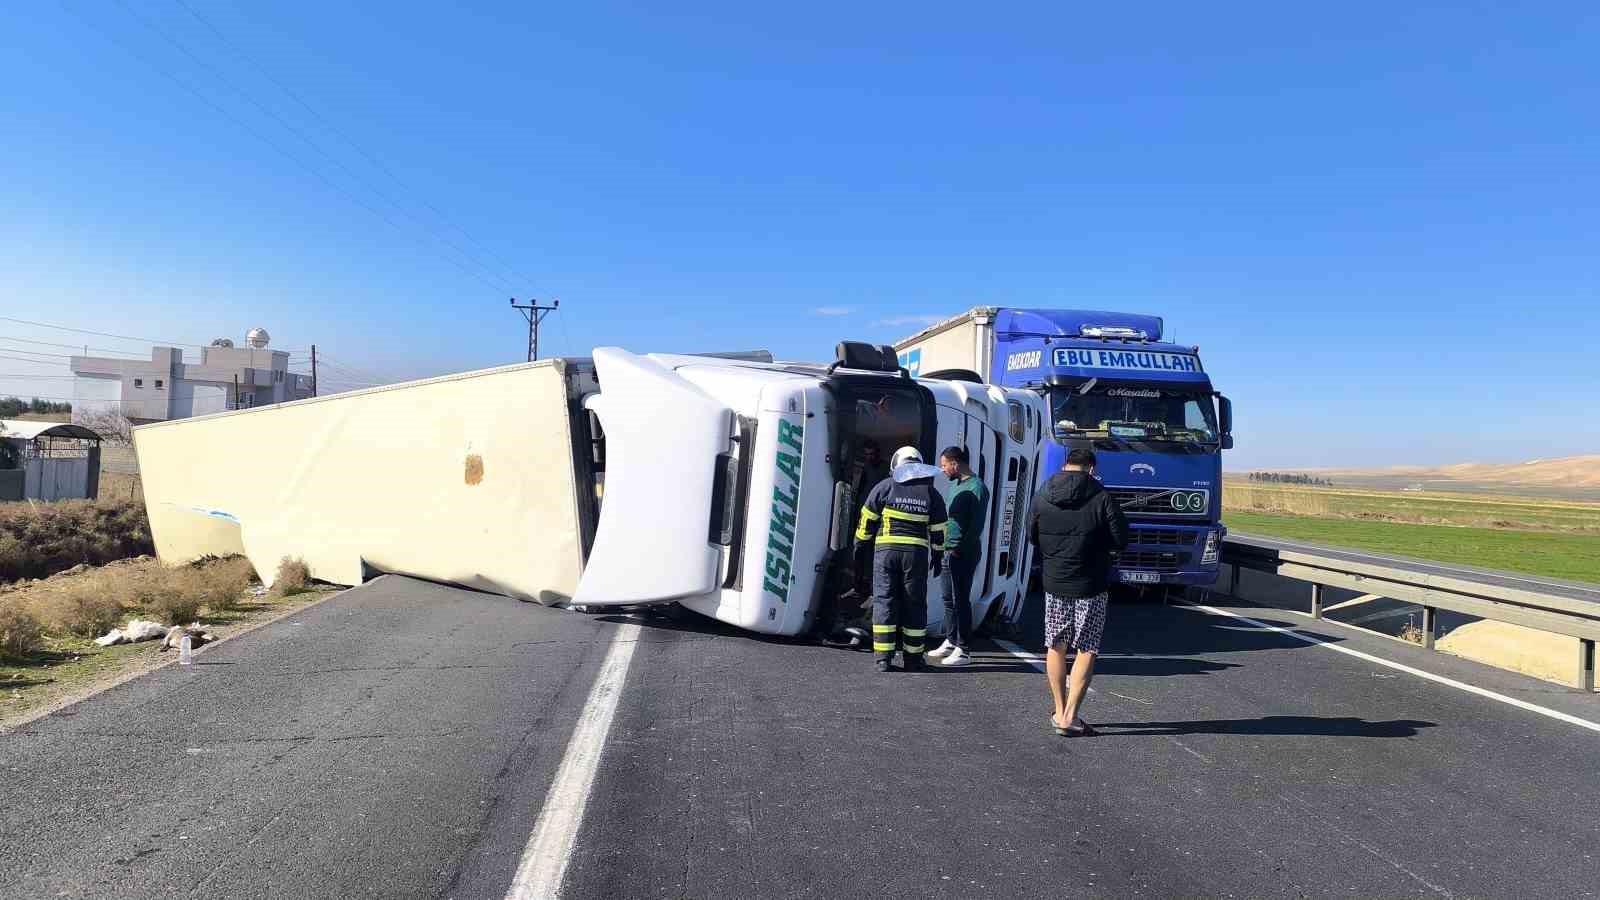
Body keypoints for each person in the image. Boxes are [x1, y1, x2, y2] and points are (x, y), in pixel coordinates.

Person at [1026, 447, 1128, 736]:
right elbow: (1120, 539)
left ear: (1066, 464)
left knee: (1055, 645)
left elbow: (1031, 535)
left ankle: (1059, 711)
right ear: (1092, 468)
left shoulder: (1043, 494)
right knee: (1087, 647)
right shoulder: (1102, 497)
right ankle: (1071, 716)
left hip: (1055, 581)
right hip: (1091, 584)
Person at [855, 446, 948, 673]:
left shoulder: (884, 486)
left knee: (884, 601)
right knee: (914, 604)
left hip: (885, 553)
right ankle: (913, 659)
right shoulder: (931, 493)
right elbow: (939, 530)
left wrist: (860, 547)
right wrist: (937, 555)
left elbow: (866, 520)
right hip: (915, 555)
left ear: (895, 465)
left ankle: (883, 660)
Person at [928, 446, 988, 667]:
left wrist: (959, 549)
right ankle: (951, 640)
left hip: (962, 552)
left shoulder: (977, 487)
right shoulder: (956, 486)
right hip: (948, 549)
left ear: (956, 462)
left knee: (960, 599)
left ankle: (964, 649)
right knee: (948, 599)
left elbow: (976, 526)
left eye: (944, 465)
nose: (943, 470)